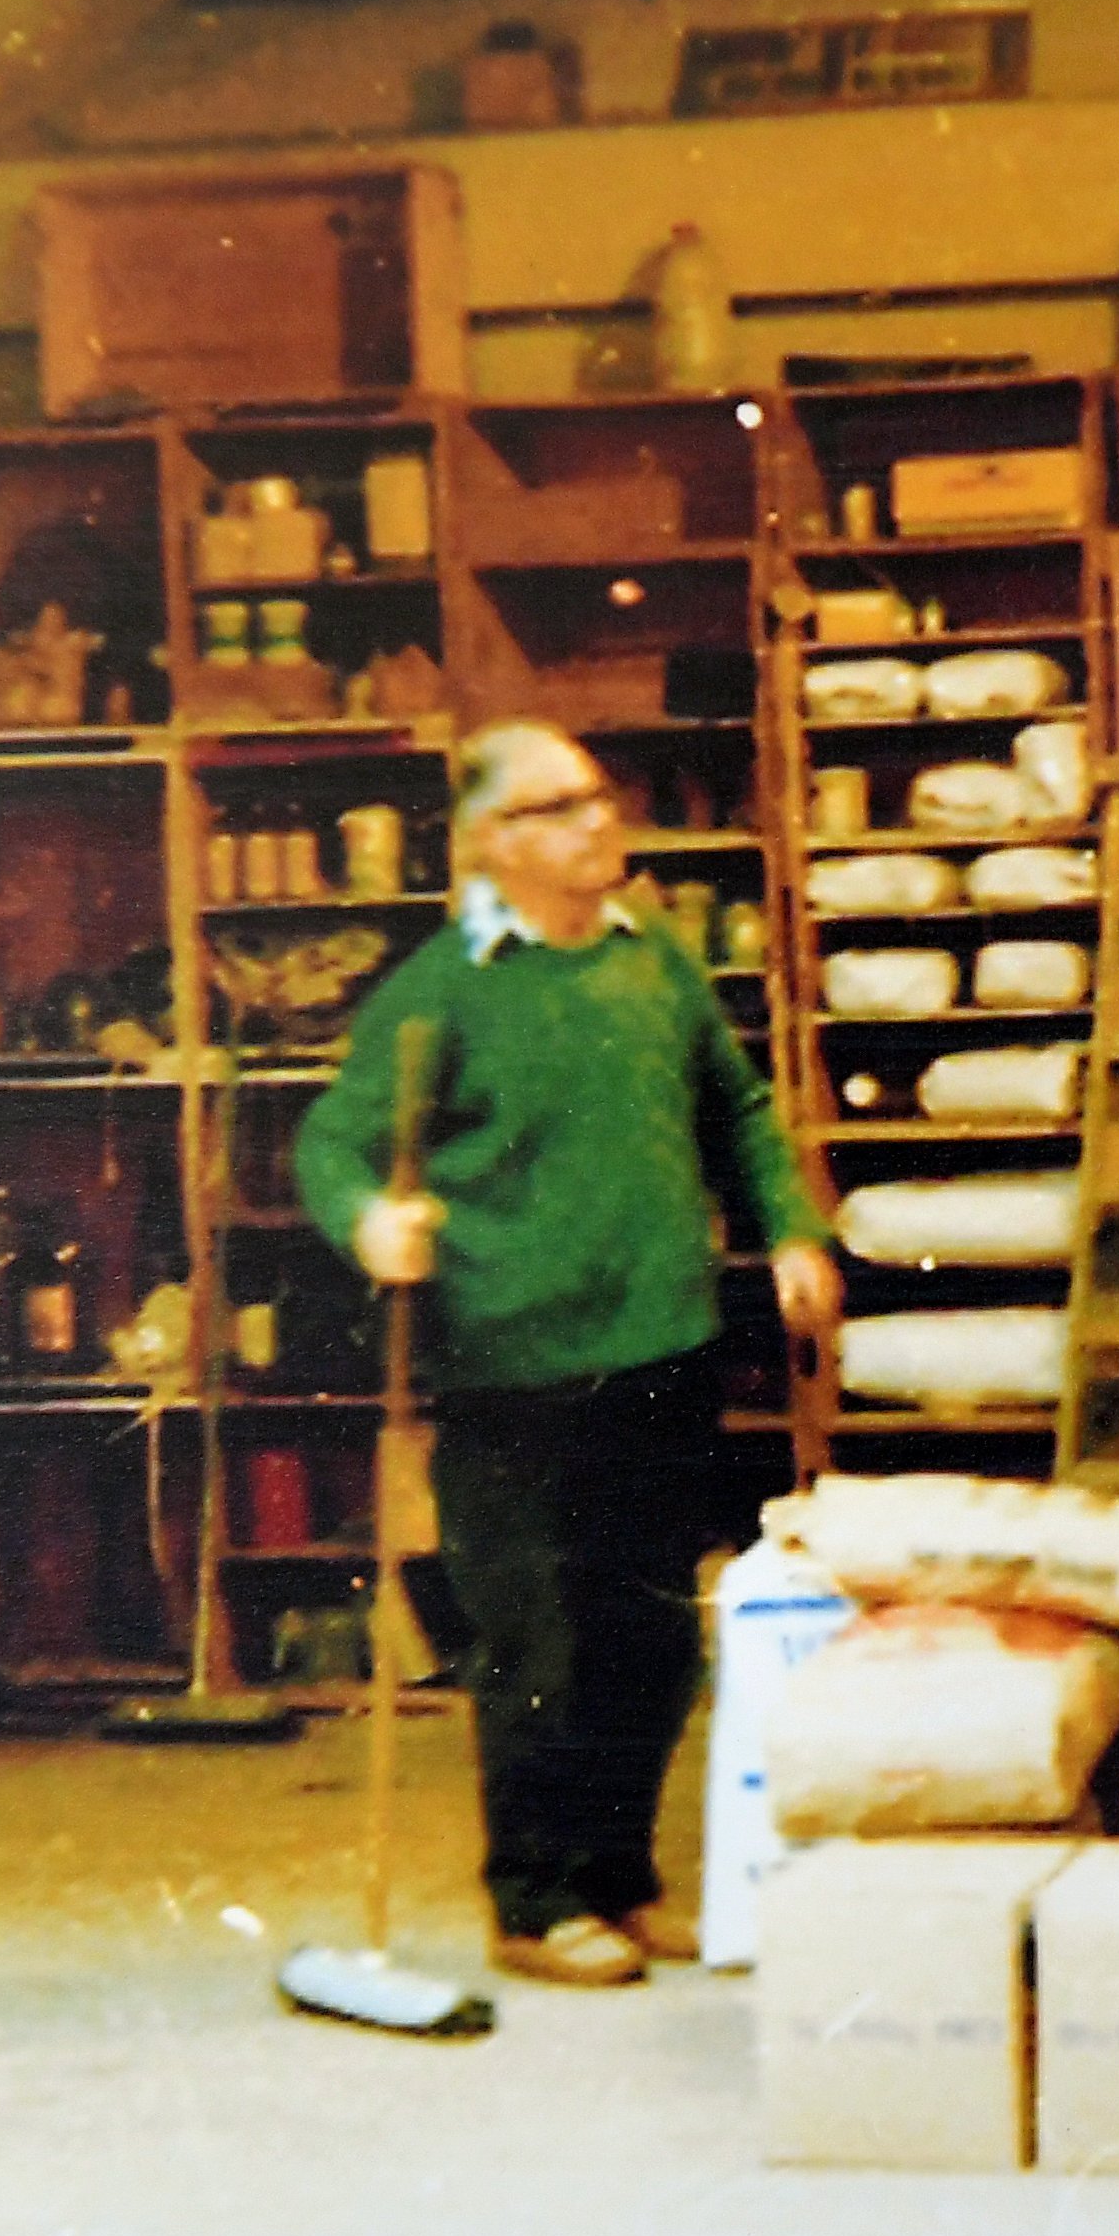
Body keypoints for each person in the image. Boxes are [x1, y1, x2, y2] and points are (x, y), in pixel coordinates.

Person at [297, 719, 841, 1988]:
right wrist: (374, 1220)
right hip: (513, 1371)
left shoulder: (658, 970)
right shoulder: (444, 989)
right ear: (493, 841)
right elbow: (333, 1144)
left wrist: (792, 1226)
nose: (600, 821)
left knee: (648, 1638)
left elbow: (739, 1112)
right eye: (559, 807)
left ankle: (618, 1879)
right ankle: (536, 1904)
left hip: (664, 1345)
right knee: (538, 1643)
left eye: (600, 797)